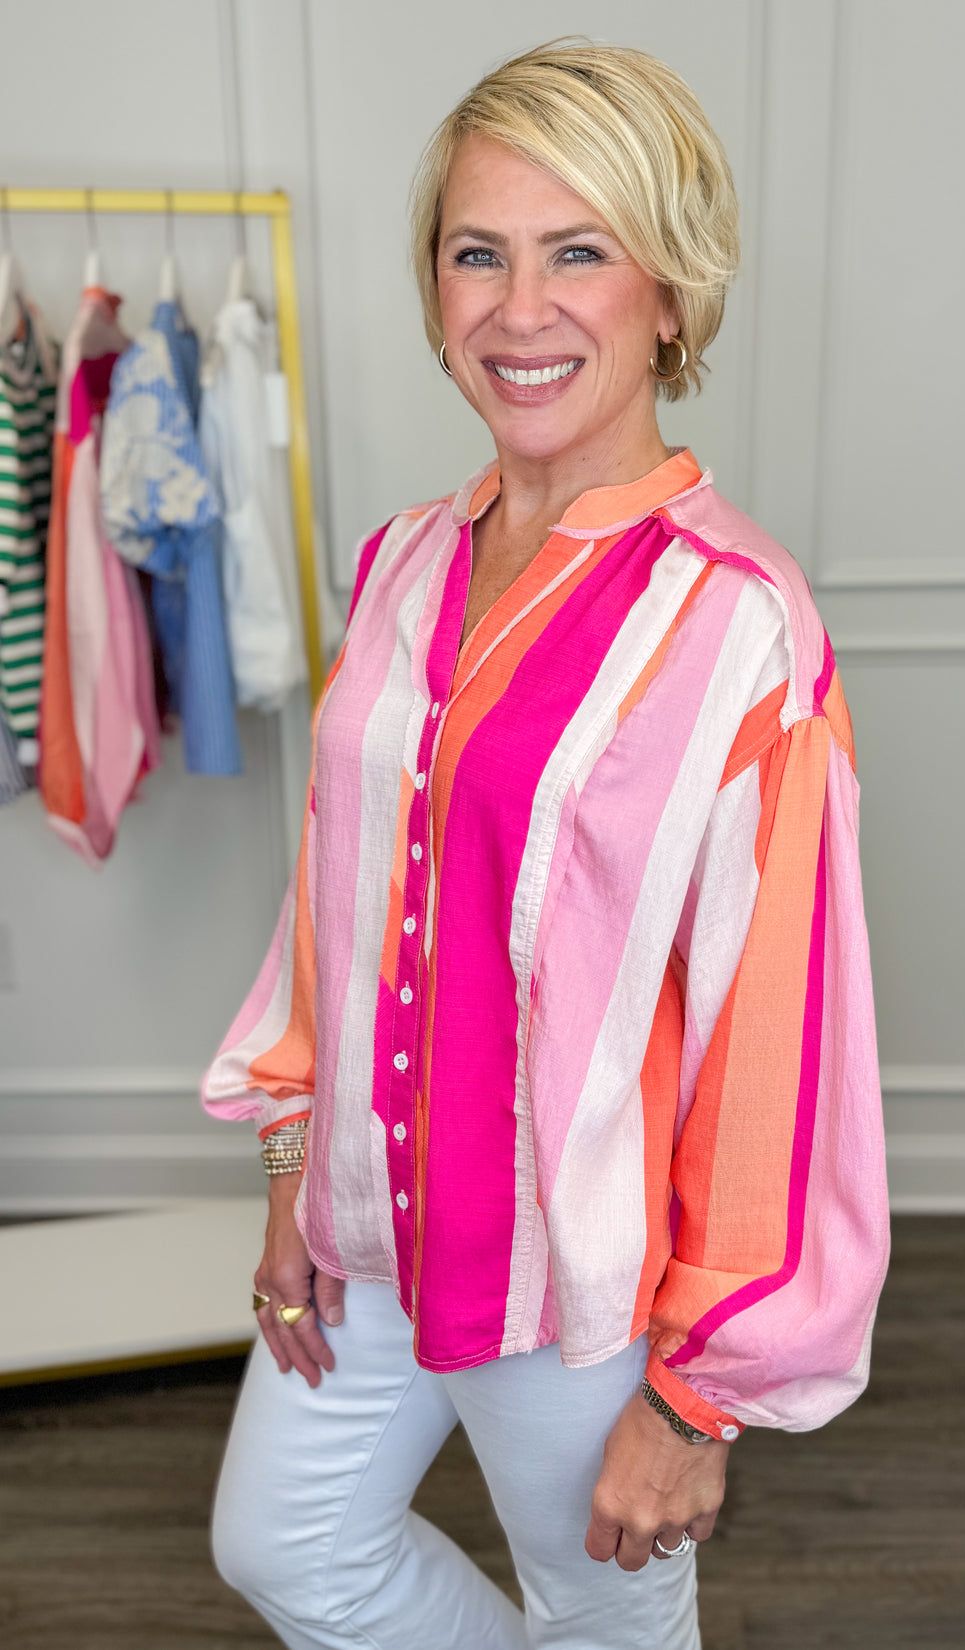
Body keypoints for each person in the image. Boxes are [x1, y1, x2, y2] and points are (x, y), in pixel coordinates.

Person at [202, 39, 890, 1650]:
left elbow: (780, 1045)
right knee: (284, 1547)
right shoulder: (398, 564)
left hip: (580, 1294)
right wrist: (296, 1166)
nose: (522, 308)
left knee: (605, 1622)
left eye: (579, 250)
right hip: (366, 1238)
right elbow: (337, 903)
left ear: (671, 290)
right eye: (478, 251)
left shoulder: (741, 630)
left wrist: (703, 1392)